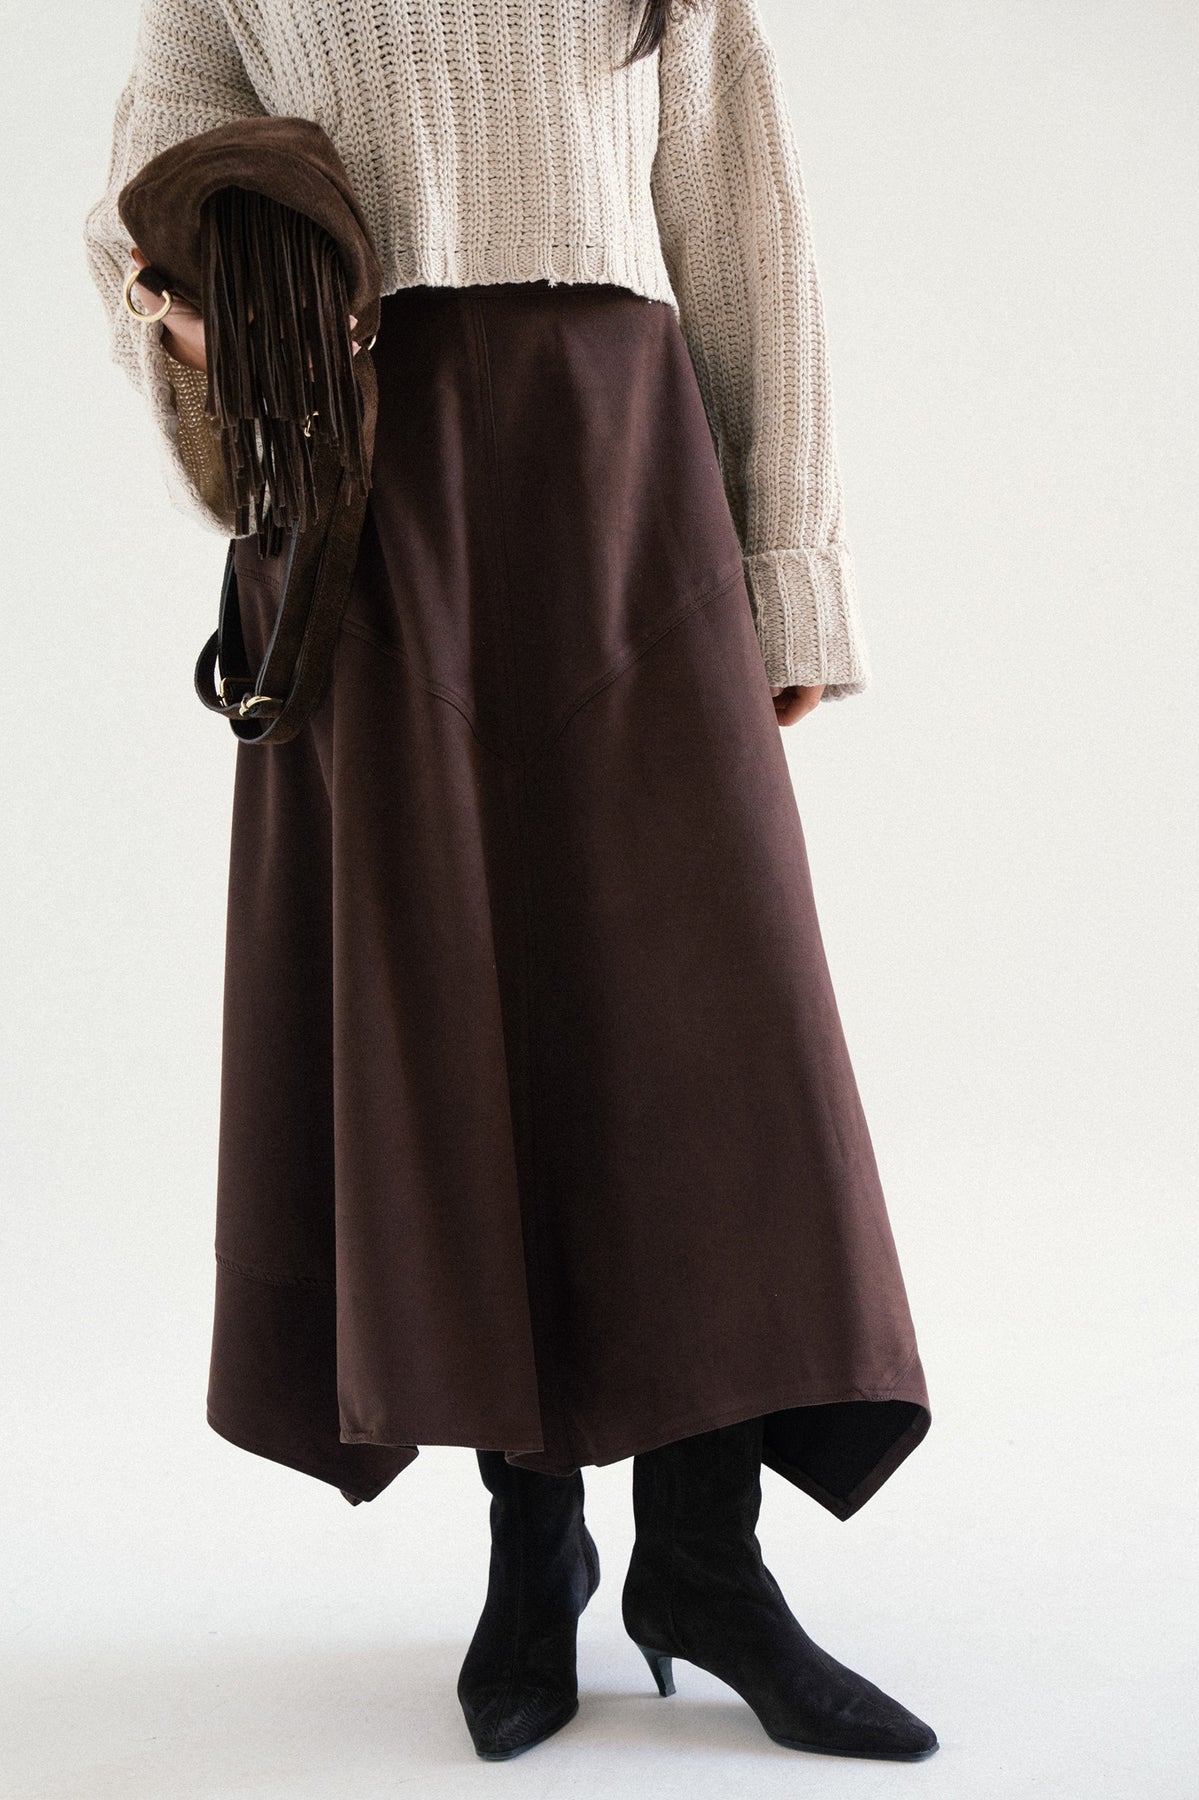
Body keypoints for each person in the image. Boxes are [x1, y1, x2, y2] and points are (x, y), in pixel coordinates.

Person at [83, 0, 938, 1765]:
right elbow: (139, 213)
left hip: (623, 468)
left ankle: (705, 1562)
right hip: (372, 490)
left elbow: (740, 218)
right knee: (453, 1015)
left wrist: (788, 566)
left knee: (705, 1027)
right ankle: (532, 1548)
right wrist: (197, 325)